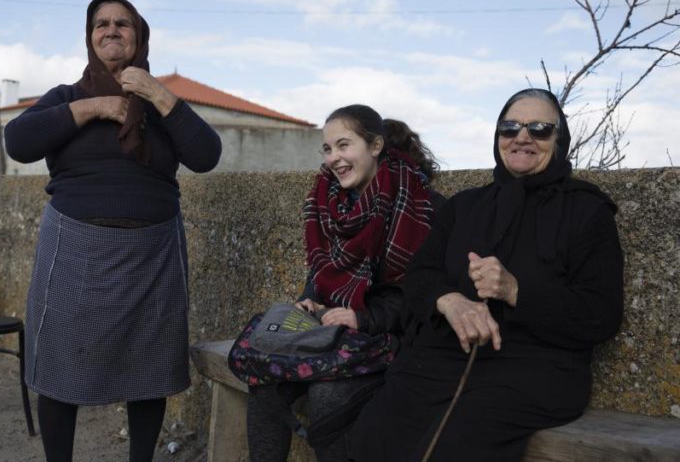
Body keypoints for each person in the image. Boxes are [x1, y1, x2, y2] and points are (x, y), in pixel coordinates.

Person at [349, 88, 624, 462]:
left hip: (532, 371)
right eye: (510, 127)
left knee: (454, 444)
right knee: (373, 431)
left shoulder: (588, 212)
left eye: (540, 128)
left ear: (559, 141)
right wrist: (450, 301)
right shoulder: (465, 206)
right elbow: (419, 276)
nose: (522, 137)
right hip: (441, 359)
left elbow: (600, 314)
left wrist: (516, 291)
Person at [4, 0, 221, 462]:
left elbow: (206, 156)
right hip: (74, 247)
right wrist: (94, 108)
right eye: (100, 24)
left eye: (123, 23)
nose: (111, 30)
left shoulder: (163, 108)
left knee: (151, 370)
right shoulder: (66, 97)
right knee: (61, 367)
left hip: (154, 252)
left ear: (139, 37)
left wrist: (157, 94)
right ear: (89, 37)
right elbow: (17, 142)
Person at [246, 104, 440, 462]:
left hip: (393, 338)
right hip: (336, 336)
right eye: (327, 148)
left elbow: (420, 293)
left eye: (344, 146)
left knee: (327, 396)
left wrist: (361, 318)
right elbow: (321, 274)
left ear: (375, 146)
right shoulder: (330, 205)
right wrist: (309, 301)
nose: (333, 158)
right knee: (263, 379)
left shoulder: (421, 208)